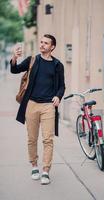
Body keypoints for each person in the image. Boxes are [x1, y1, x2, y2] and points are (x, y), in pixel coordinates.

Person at [10, 34, 65, 185]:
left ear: (52, 47)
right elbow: (14, 70)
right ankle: (34, 166)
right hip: (31, 104)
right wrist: (14, 57)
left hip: (48, 106)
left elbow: (62, 85)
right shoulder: (32, 60)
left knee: (48, 139)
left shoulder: (57, 65)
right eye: (41, 42)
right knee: (32, 138)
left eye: (45, 43)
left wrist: (58, 96)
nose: (42, 45)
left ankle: (46, 171)